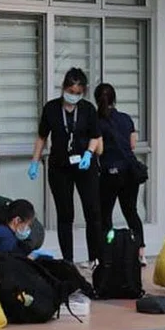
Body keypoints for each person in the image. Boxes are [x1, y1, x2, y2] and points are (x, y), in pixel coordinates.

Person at [29, 67, 103, 267]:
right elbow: (42, 136)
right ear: (64, 88)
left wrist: (89, 153)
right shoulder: (51, 108)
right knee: (65, 214)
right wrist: (35, 161)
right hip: (60, 167)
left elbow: (96, 136)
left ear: (83, 92)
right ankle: (68, 261)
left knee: (92, 212)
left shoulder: (88, 109)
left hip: (85, 165)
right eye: (71, 92)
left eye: (78, 93)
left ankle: (94, 258)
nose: (73, 96)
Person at [94, 83, 147, 266]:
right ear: (114, 99)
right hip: (130, 172)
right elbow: (132, 145)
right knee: (131, 212)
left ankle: (106, 253)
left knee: (105, 214)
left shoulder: (96, 121)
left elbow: (99, 150)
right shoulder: (125, 118)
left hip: (110, 172)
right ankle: (141, 252)